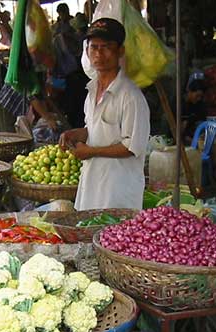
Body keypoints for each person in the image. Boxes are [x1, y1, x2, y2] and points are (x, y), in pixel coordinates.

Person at [59, 18, 149, 210]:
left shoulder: (130, 96)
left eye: (106, 47)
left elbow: (132, 146)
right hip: (92, 186)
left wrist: (90, 151)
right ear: (86, 51)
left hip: (118, 192)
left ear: (120, 51)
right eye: (94, 47)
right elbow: (93, 130)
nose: (99, 53)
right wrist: (76, 134)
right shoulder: (91, 91)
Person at [183, 78, 207, 142]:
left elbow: (202, 122)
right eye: (197, 96)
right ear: (189, 91)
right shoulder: (178, 103)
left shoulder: (199, 104)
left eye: (201, 97)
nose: (199, 99)